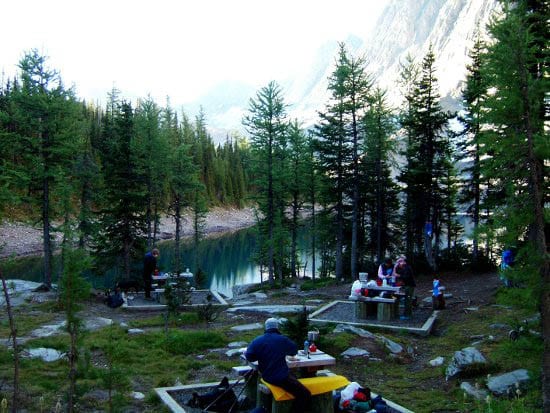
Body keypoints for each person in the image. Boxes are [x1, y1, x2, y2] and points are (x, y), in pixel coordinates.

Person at [245, 318, 311, 413]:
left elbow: (250, 357)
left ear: (266, 327)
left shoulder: (257, 341)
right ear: (277, 327)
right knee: (305, 394)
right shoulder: (282, 339)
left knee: (294, 379)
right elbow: (293, 351)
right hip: (281, 377)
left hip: (266, 376)